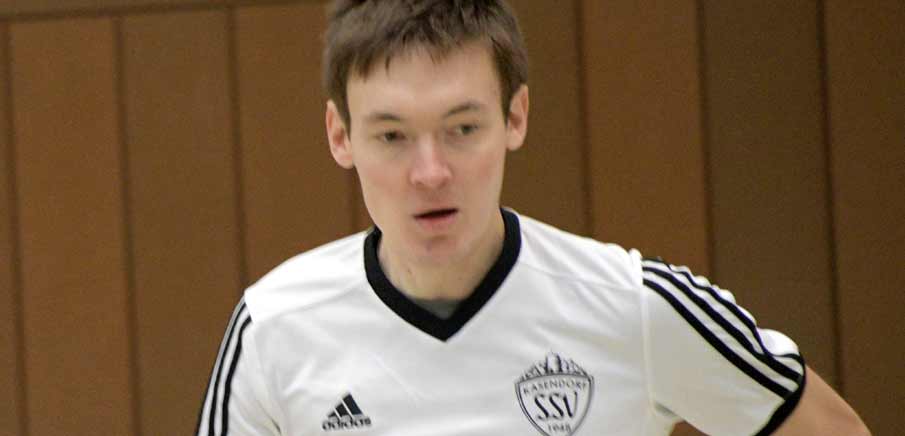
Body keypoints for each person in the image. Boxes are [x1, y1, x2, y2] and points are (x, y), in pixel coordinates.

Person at [195, 1, 870, 435]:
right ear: (340, 136)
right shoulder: (273, 328)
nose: (430, 172)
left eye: (462, 128)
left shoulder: (634, 307)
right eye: (392, 135)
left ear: (514, 117)